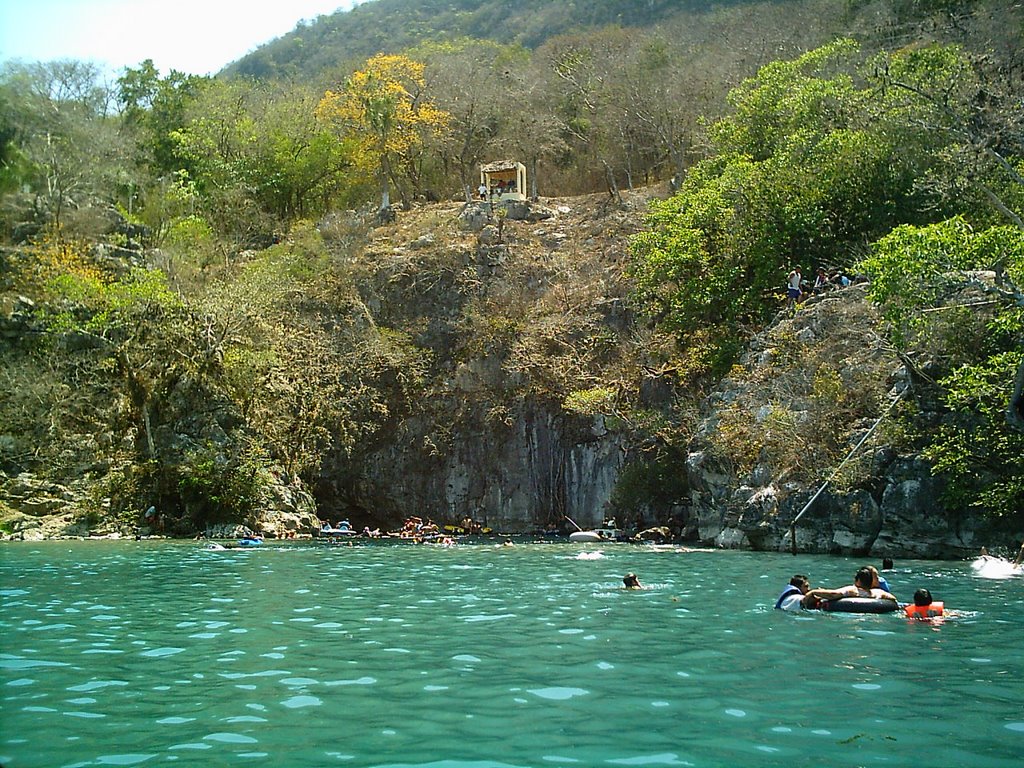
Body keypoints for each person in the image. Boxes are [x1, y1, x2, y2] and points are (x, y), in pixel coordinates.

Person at [805, 567, 898, 604]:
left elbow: (833, 594)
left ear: (857, 580)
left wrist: (813, 592)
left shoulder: (853, 590)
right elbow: (894, 599)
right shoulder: (878, 592)